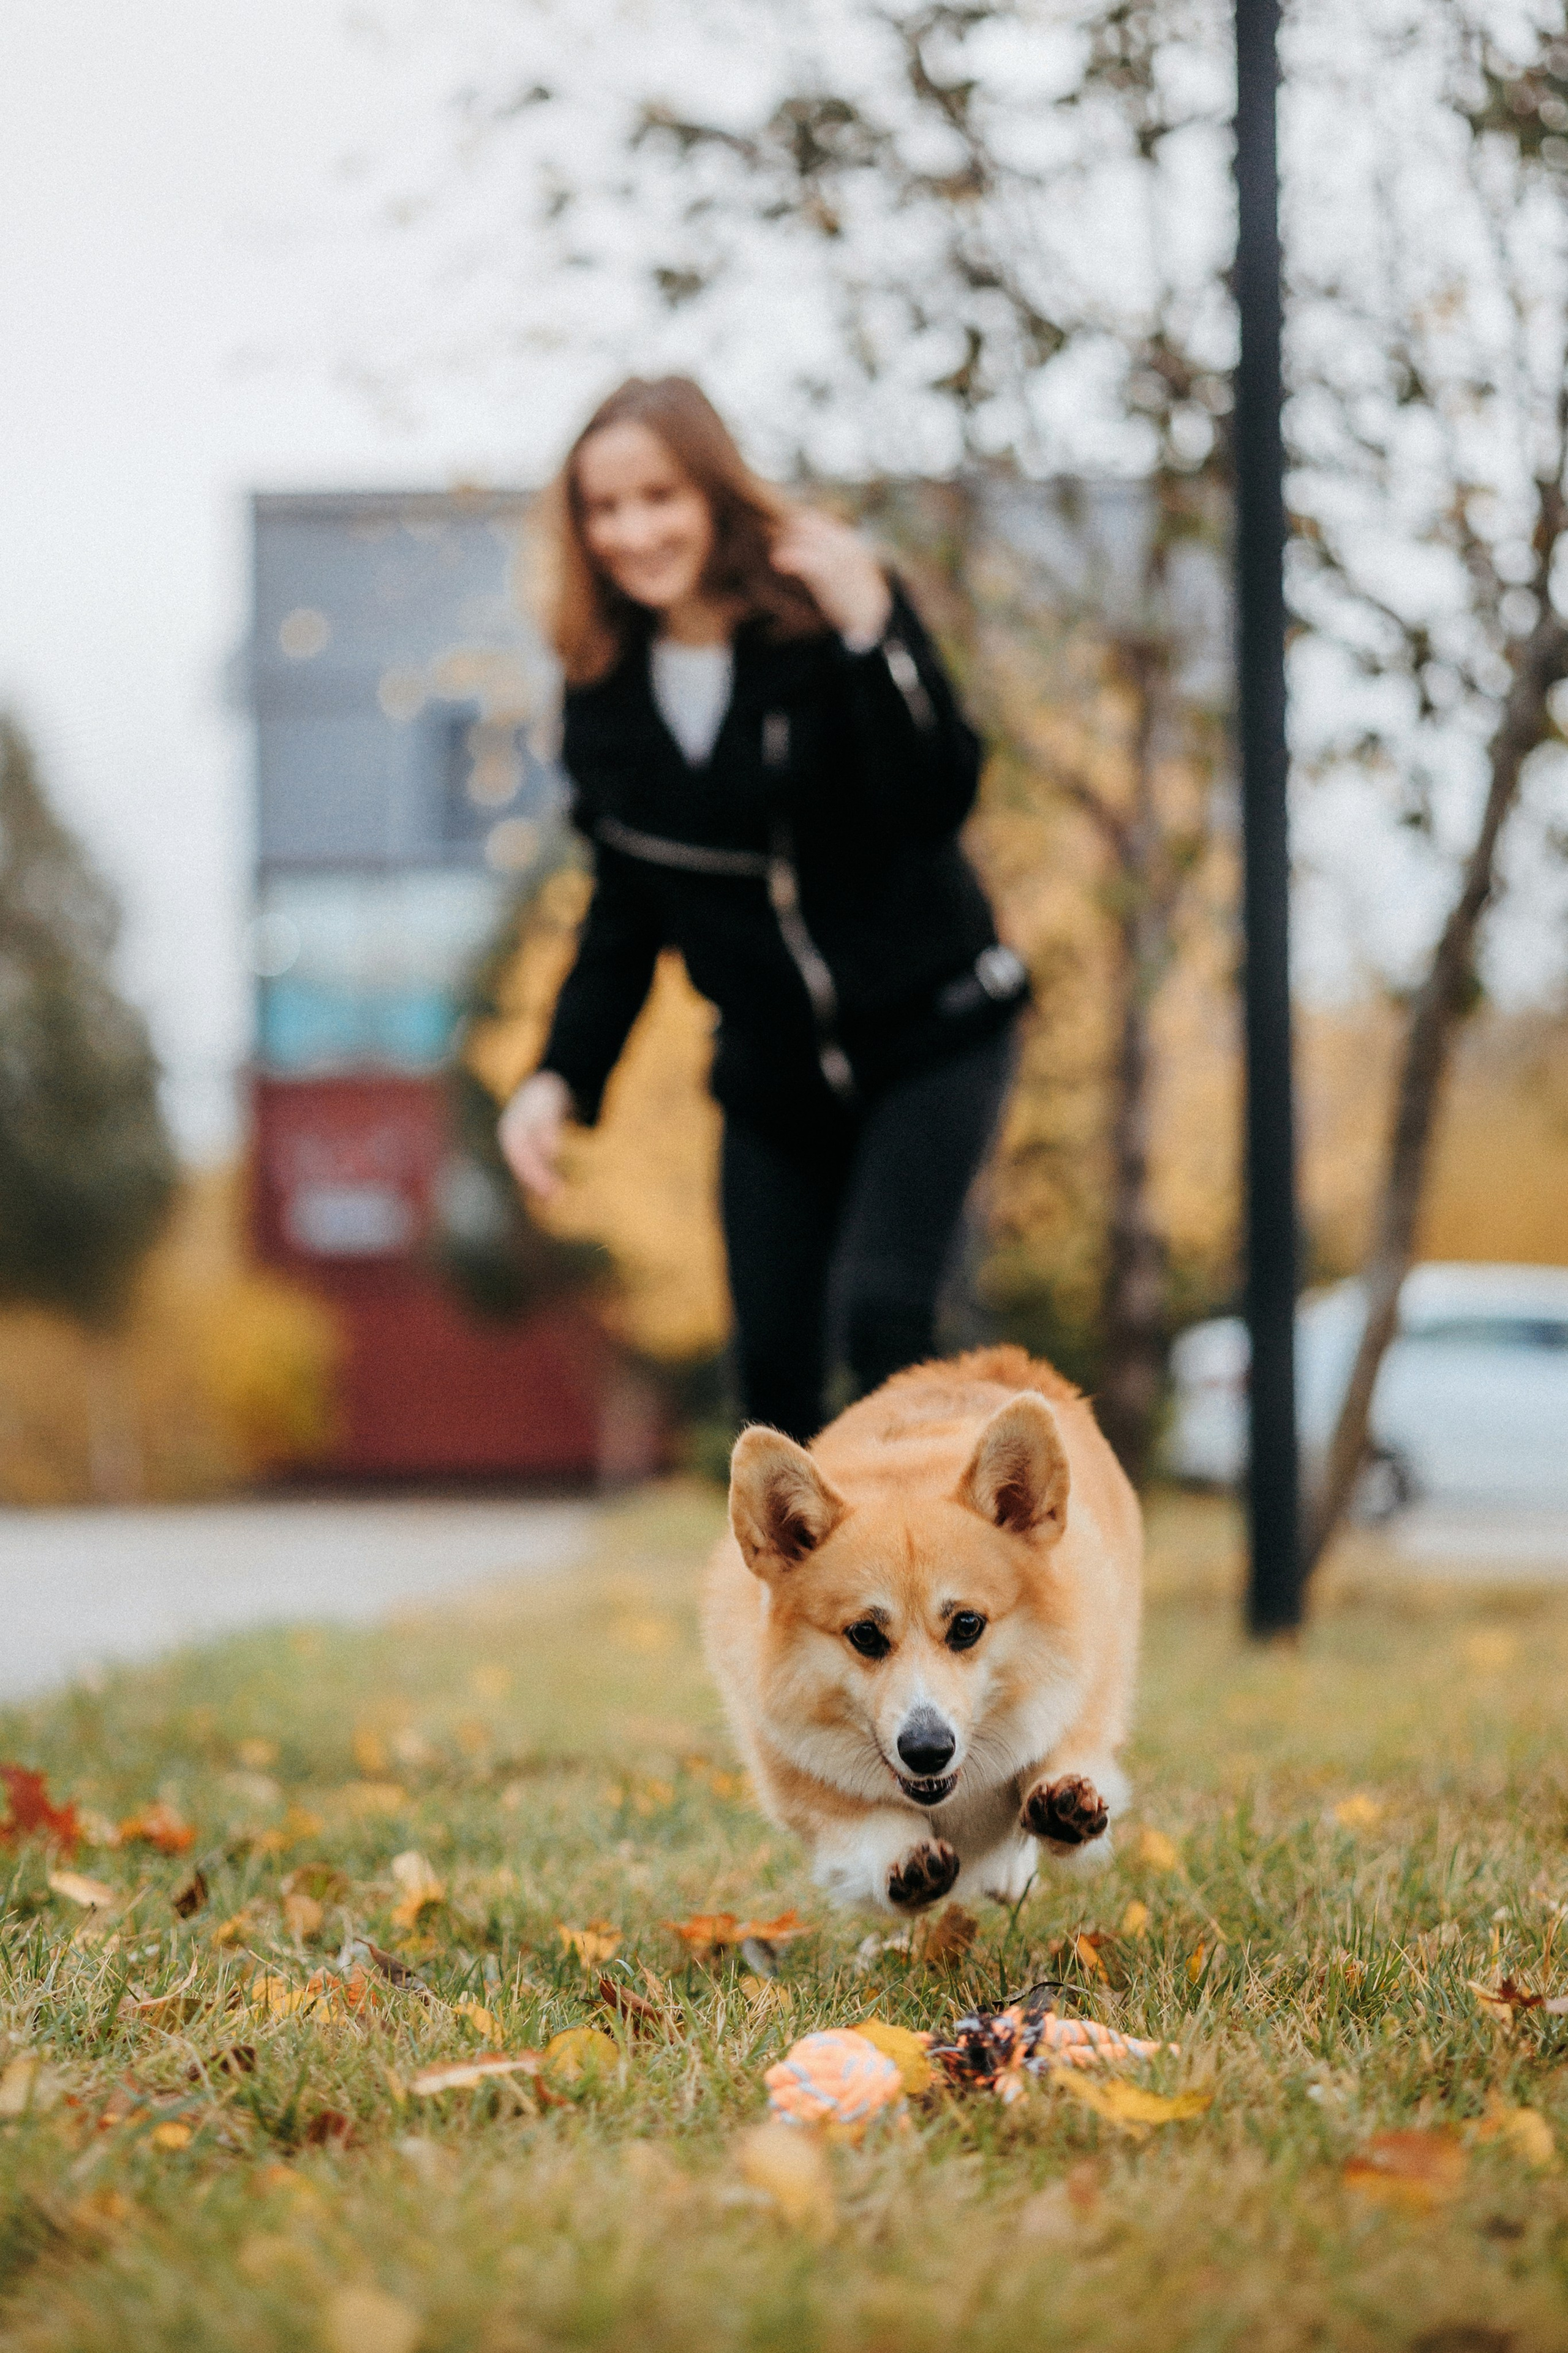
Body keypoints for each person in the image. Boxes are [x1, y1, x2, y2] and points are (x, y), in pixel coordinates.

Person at [497, 376, 1028, 1443]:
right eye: (606, 509)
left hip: (934, 1032)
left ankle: (931, 1555)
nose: (634, 532)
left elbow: (938, 795)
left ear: (713, 493)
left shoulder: (824, 621)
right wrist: (559, 1074)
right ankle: (797, 1568)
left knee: (886, 1321)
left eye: (660, 497)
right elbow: (624, 913)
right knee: (773, 1379)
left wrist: (874, 628)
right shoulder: (603, 695)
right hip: (775, 1078)